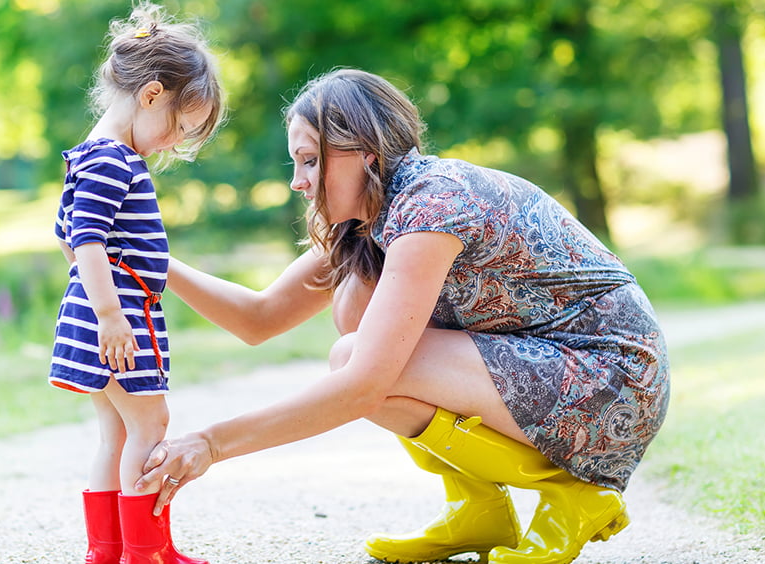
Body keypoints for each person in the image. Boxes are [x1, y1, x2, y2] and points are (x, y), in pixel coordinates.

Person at [135, 68, 670, 564]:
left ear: (366, 154)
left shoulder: (433, 204)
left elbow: (363, 385)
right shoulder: (373, 217)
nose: (298, 181)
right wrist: (151, 257)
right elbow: (259, 318)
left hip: (613, 380)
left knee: (358, 358)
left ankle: (574, 493)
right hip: (559, 375)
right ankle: (478, 510)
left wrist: (211, 443)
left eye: (311, 160)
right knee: (357, 325)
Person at [47, 4, 223, 563]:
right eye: (178, 128)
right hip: (118, 319)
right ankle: (145, 552)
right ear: (150, 95)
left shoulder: (90, 156)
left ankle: (112, 551)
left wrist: (95, 300)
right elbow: (87, 240)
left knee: (118, 433)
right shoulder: (112, 160)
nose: (172, 144)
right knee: (151, 423)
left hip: (107, 312)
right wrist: (109, 314)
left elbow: (64, 233)